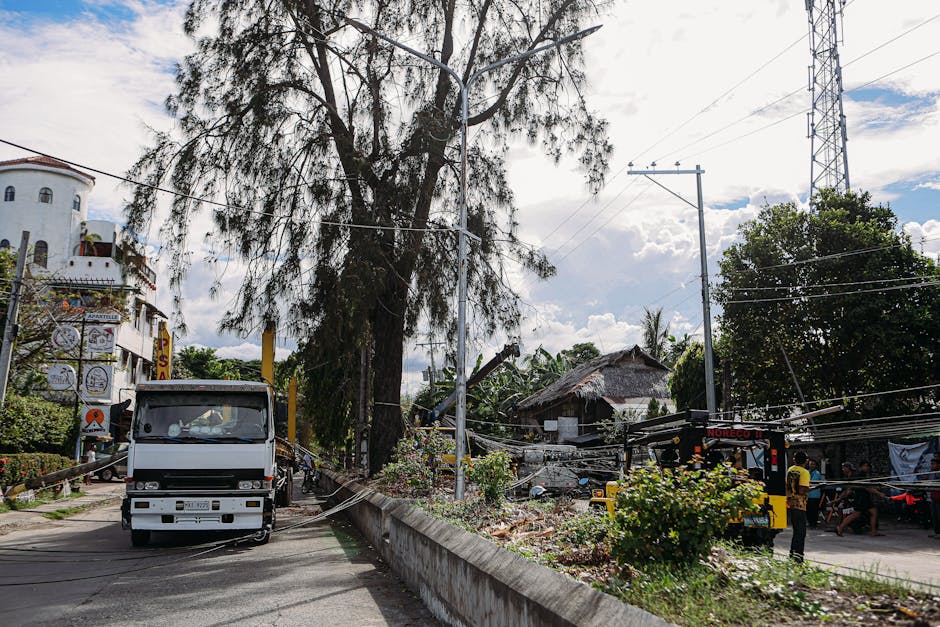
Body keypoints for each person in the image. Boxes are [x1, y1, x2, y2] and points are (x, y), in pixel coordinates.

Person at [786, 450, 811, 563]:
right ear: (806, 461)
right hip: (800, 505)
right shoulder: (805, 472)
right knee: (801, 533)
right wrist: (809, 489)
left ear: (794, 460)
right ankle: (798, 558)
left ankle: (792, 555)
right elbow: (801, 490)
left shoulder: (790, 470)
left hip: (790, 503)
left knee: (796, 531)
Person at [925, 456, 940, 539]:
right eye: (931, 464)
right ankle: (937, 532)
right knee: (934, 516)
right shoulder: (931, 473)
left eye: (933, 464)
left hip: (939, 498)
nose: (932, 465)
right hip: (933, 497)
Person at [806, 459, 823, 528]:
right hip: (807, 494)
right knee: (808, 510)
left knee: (814, 510)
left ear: (816, 466)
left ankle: (814, 524)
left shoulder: (817, 473)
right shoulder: (807, 472)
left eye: (813, 464)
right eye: (811, 464)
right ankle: (810, 523)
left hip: (814, 495)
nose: (812, 465)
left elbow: (812, 482)